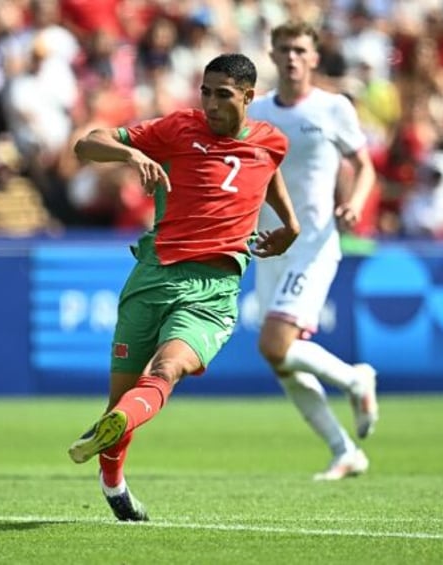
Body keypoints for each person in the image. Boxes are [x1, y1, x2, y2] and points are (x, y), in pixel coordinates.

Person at [67, 53, 301, 522]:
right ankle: (113, 480)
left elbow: (265, 169)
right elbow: (85, 144)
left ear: (249, 97)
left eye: (224, 95)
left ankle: (113, 428)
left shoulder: (272, 141)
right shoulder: (175, 129)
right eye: (206, 93)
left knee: (168, 367)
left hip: (212, 286)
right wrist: (130, 152)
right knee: (123, 403)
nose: (211, 104)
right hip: (152, 274)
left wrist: (290, 225)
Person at [247, 20, 379, 482]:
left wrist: (355, 203)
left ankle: (355, 379)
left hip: (314, 243)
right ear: (272, 54)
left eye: (300, 49)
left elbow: (364, 166)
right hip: (267, 246)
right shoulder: (256, 111)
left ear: (315, 57)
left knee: (274, 342)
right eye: (284, 49)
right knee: (279, 358)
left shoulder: (333, 108)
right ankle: (344, 450)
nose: (292, 57)